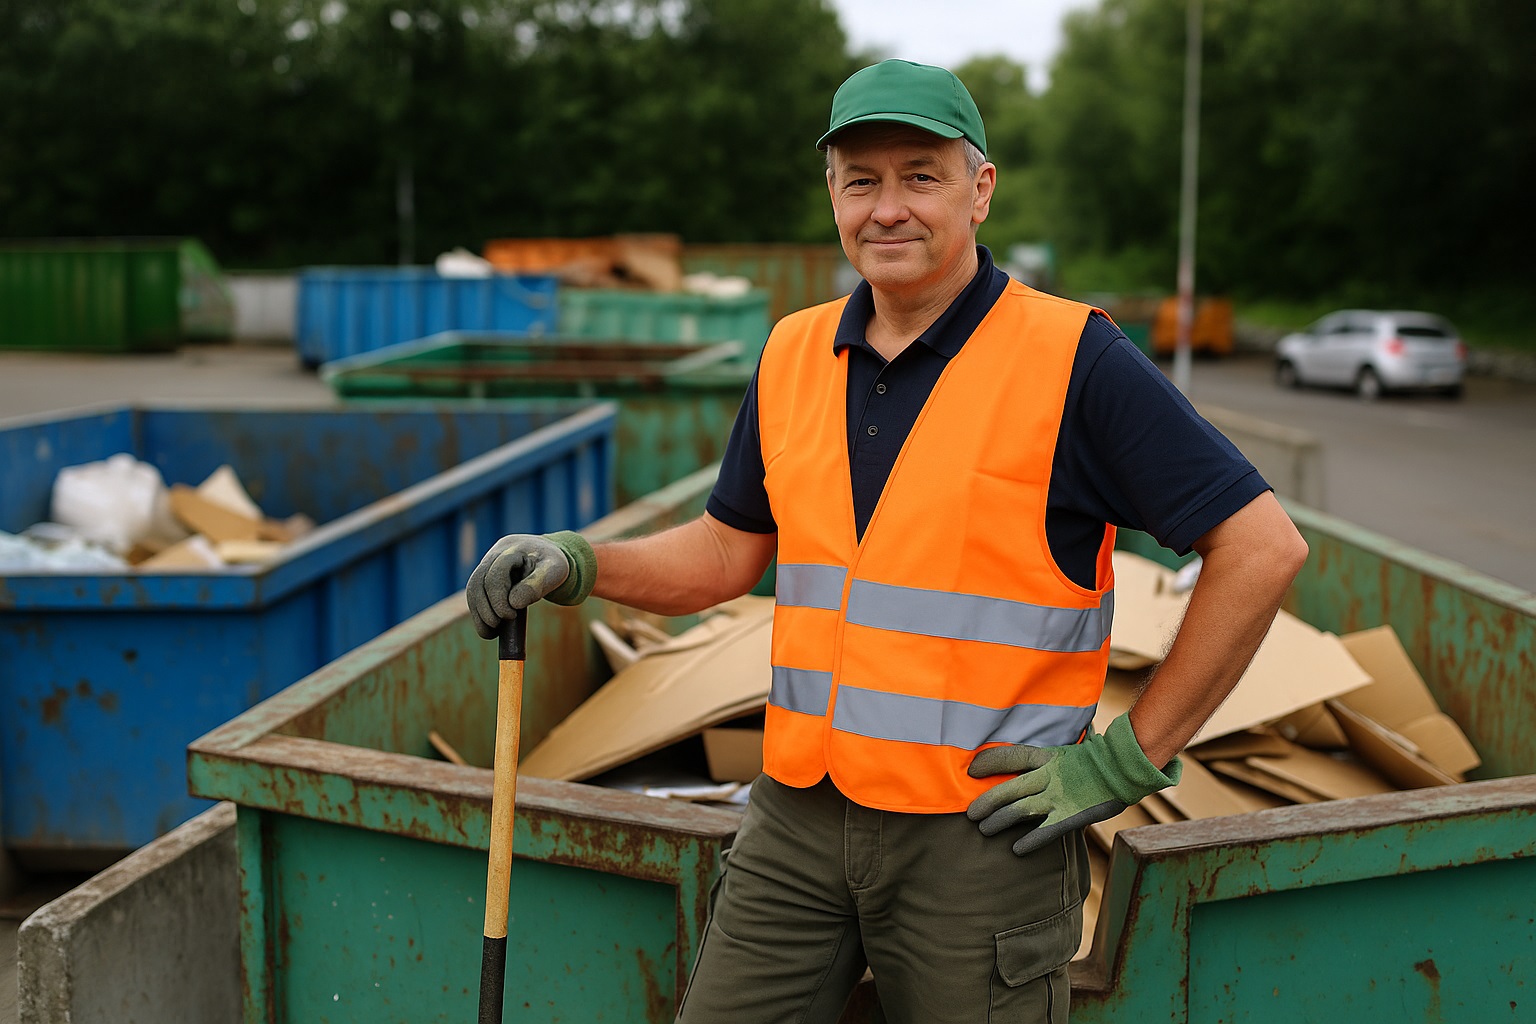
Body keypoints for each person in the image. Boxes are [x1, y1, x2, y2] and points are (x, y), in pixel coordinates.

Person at [466, 58, 1308, 1024]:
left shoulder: (1075, 358)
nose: (888, 208)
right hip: (798, 816)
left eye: (921, 175)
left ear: (980, 188)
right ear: (832, 193)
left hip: (982, 838)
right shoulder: (791, 352)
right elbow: (726, 552)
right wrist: (580, 563)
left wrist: (1126, 760)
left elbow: (1262, 546)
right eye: (861, 181)